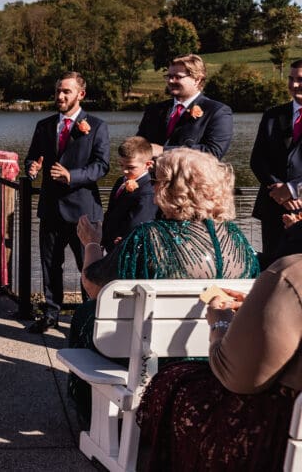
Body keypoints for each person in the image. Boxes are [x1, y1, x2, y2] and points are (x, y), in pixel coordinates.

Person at [70, 148, 260, 426]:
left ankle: (94, 417)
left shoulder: (149, 237)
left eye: (156, 181)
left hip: (150, 354)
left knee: (86, 315)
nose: (153, 187)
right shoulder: (238, 238)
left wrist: (91, 243)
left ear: (169, 188)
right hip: (215, 348)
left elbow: (94, 287)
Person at [136, 253, 302, 470]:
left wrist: (220, 325)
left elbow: (238, 378)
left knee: (174, 379)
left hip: (280, 431)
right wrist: (261, 312)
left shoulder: (291, 272)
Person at [23, 72, 110, 334]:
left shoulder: (97, 126)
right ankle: (50, 314)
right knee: (50, 264)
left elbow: (101, 166)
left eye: (66, 92)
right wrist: (32, 168)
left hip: (83, 211)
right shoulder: (44, 125)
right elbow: (32, 157)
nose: (60, 96)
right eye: (58, 91)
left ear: (80, 94)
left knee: (89, 266)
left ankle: (89, 318)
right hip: (50, 208)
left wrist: (72, 176)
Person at [249, 59, 302, 266]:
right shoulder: (273, 115)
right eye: (291, 78)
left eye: (300, 79)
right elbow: (257, 160)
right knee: (272, 266)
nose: (294, 84)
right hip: (273, 208)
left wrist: (293, 189)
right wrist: (278, 190)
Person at [136, 53, 233, 159]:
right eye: (169, 76)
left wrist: (163, 150)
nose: (171, 81)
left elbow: (213, 152)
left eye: (178, 77)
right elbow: (137, 146)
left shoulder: (217, 112)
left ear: (197, 80)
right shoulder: (154, 110)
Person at [94, 136, 155, 255]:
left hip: (128, 249)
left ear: (148, 164)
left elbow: (139, 223)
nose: (124, 171)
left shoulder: (148, 191)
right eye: (121, 165)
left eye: (130, 167)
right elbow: (111, 211)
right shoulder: (120, 181)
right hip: (111, 244)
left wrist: (124, 240)